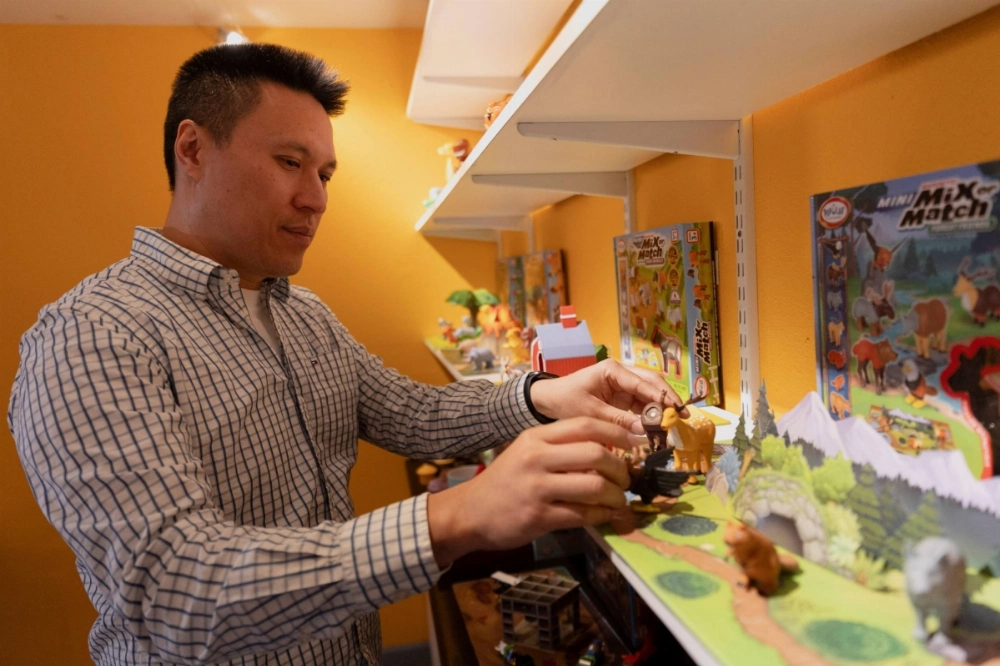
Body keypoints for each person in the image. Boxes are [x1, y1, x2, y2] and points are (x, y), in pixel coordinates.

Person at [8, 43, 684, 666]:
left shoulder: (303, 314)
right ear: (192, 149)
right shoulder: (92, 337)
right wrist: (459, 515)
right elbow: (176, 590)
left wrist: (542, 395)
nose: (317, 198)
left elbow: (414, 414)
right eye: (289, 162)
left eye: (326, 172)